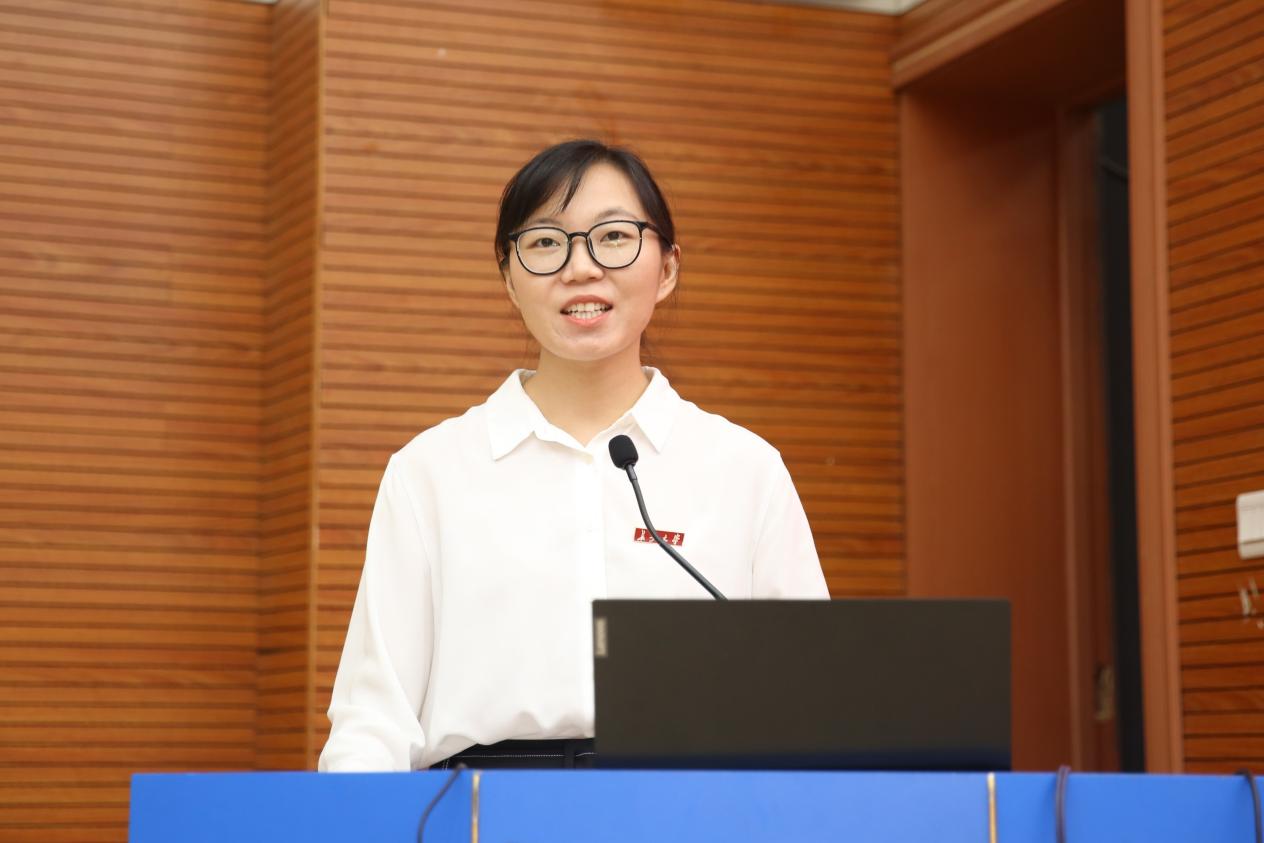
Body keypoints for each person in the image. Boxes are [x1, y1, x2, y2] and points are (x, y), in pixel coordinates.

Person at [318, 139, 828, 773]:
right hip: (480, 807)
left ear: (667, 267)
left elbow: (808, 701)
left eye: (613, 237)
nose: (581, 268)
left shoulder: (745, 470)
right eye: (545, 242)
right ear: (508, 276)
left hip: (690, 803)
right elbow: (373, 721)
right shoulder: (431, 472)